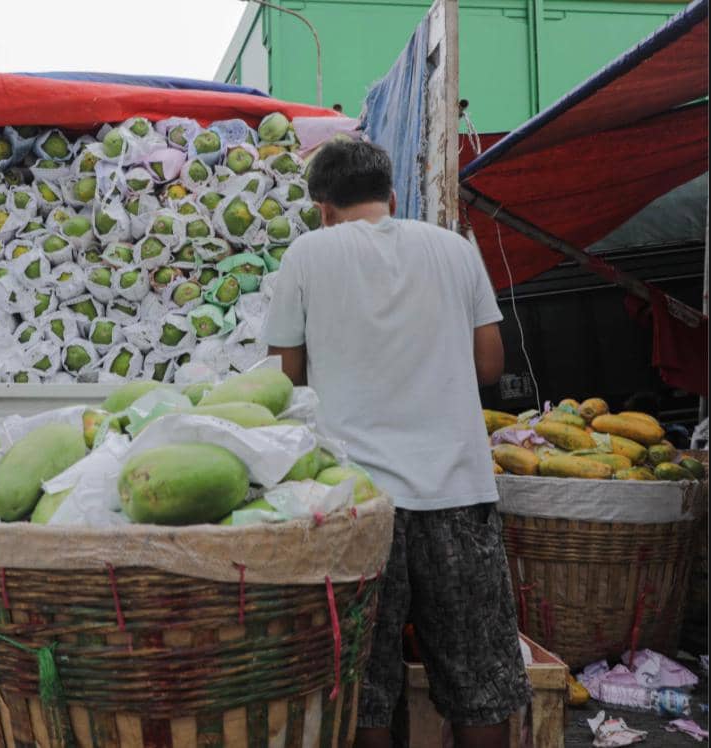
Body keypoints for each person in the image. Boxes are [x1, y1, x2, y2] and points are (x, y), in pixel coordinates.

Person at [260, 139, 530, 746]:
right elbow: (490, 364)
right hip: (459, 492)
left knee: (363, 690)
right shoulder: (454, 248)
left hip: (359, 503)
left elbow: (283, 378)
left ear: (323, 208)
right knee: (480, 683)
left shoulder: (308, 253)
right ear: (393, 196)